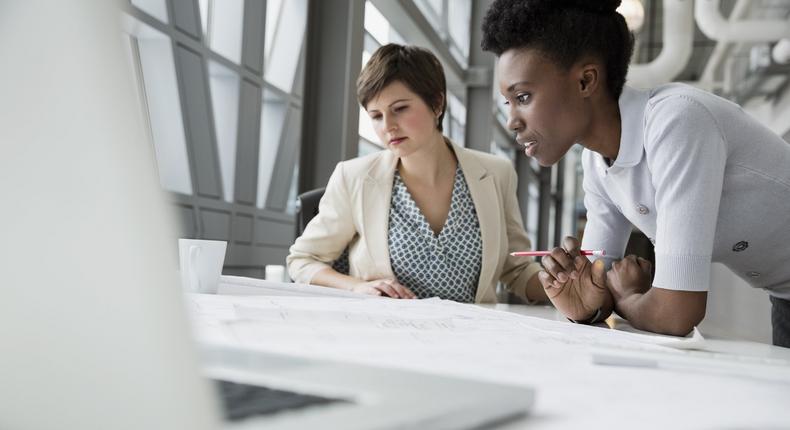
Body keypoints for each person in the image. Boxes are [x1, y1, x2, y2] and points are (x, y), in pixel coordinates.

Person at [481, 0, 790, 346]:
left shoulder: (676, 122)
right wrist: (584, 305)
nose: (511, 121)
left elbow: (677, 312)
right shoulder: (597, 165)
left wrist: (627, 296)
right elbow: (595, 285)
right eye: (508, 103)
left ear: (586, 81)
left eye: (522, 96)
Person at [287, 43, 547, 304]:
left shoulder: (496, 174)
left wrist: (569, 286)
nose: (388, 126)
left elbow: (517, 269)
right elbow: (302, 260)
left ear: (436, 104)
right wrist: (356, 287)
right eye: (376, 116)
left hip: (469, 337)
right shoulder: (354, 177)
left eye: (399, 109)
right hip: (384, 334)